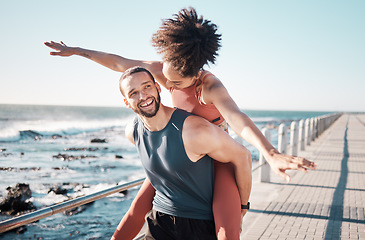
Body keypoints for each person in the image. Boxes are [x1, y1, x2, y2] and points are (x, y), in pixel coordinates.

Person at [45, 7, 316, 239]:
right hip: (180, 151)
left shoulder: (209, 86)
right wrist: (76, 51)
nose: (167, 85)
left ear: (195, 74)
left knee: (228, 231)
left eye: (176, 83)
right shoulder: (163, 70)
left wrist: (270, 153)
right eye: (165, 77)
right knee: (137, 209)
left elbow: (237, 117)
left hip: (215, 156)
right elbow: (118, 63)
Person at [118, 66, 252, 239]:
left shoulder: (194, 130)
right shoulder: (133, 132)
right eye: (133, 93)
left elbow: (243, 156)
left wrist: (242, 205)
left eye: (147, 87)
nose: (143, 96)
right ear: (127, 102)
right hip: (159, 220)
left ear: (158, 88)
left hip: (199, 225)